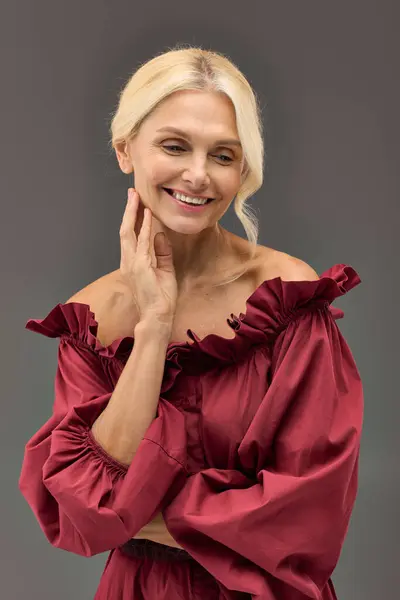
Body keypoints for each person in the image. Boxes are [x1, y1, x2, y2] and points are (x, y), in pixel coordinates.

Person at [18, 45, 364, 600]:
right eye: (174, 146)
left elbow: (307, 513)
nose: (198, 175)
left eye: (223, 155)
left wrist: (137, 509)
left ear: (243, 168)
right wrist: (154, 324)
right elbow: (83, 514)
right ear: (125, 150)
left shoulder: (286, 298)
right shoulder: (93, 319)